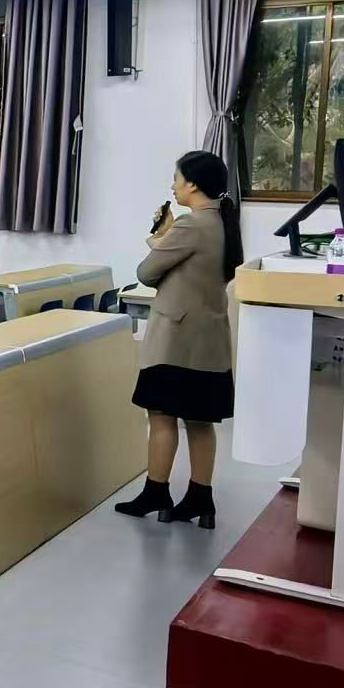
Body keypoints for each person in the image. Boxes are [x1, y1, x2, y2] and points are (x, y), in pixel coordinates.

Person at [116, 150, 242, 530]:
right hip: (209, 342)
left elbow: (146, 273)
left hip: (176, 340)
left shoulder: (191, 225)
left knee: (161, 415)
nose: (173, 186)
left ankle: (156, 492)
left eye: (176, 178)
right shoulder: (220, 222)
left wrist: (162, 235)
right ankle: (201, 498)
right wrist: (169, 234)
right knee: (200, 421)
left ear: (193, 184)